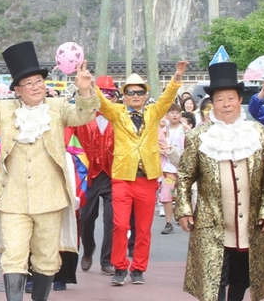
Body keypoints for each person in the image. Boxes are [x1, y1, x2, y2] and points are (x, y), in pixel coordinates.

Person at [0, 41, 98, 301]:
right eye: (28, 84)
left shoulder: (58, 108)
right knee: (14, 254)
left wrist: (84, 90)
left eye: (39, 82)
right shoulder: (4, 110)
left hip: (50, 197)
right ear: (16, 90)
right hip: (13, 199)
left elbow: (84, 115)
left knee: (46, 256)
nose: (35, 87)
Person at [175, 61, 264, 301]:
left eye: (231, 98)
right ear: (211, 103)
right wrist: (183, 209)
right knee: (217, 268)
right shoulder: (198, 137)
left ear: (240, 100)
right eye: (219, 99)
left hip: (249, 218)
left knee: (244, 269)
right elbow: (184, 176)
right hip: (213, 217)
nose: (226, 104)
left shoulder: (260, 134)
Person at [97, 63, 188, 286]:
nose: (135, 96)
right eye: (130, 92)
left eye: (139, 92)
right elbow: (100, 103)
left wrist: (176, 77)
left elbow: (167, 98)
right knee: (120, 225)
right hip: (122, 178)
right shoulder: (116, 113)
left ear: (146, 95)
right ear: (124, 95)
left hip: (147, 178)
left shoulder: (153, 112)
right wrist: (90, 84)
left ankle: (138, 268)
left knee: (144, 227)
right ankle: (120, 267)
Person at [71, 75, 118, 274]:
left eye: (110, 94)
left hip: (112, 174)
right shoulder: (80, 116)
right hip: (88, 176)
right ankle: (88, 250)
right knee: (86, 218)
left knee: (113, 219)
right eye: (102, 93)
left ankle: (107, 259)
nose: (106, 98)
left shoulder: (119, 117)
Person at [158, 103, 185, 234]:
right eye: (172, 112)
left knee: (183, 194)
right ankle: (168, 222)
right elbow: (156, 143)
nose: (175, 115)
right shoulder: (162, 129)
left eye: (177, 112)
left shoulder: (185, 130)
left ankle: (183, 217)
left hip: (182, 168)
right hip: (167, 168)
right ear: (167, 115)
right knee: (167, 195)